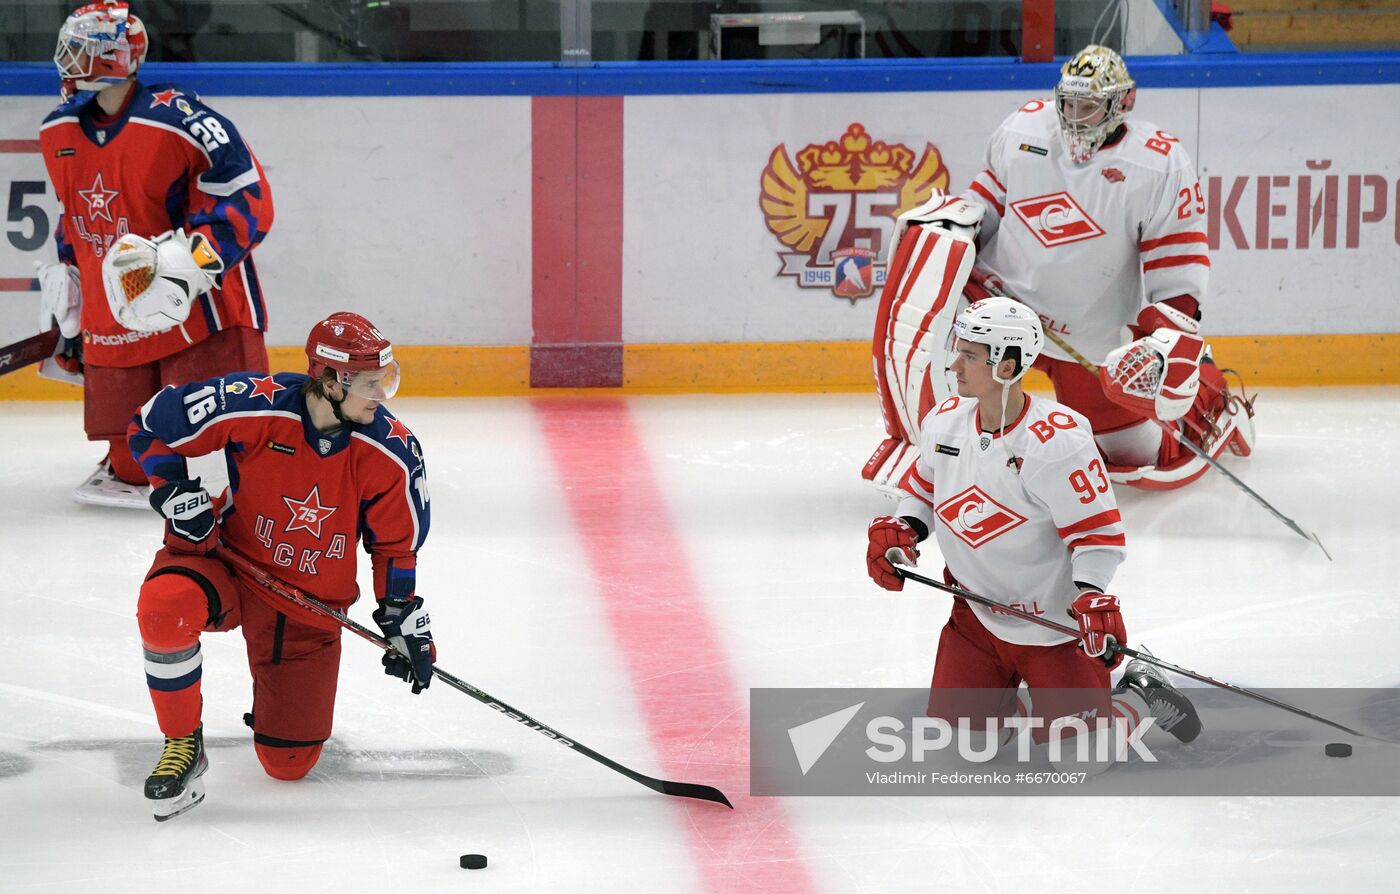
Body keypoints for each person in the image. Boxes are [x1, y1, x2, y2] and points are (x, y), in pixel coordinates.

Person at [869, 44, 1253, 493]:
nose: (1072, 116)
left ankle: (1212, 400)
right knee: (942, 356)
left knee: (1132, 457)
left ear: (1122, 103)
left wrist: (1167, 343)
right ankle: (947, 455)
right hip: (1000, 302)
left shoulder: (1159, 162)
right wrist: (944, 237)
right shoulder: (1024, 127)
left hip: (1091, 337)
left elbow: (1178, 262)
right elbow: (986, 206)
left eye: (1087, 107)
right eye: (1066, 103)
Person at [865, 297, 1201, 764]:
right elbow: (922, 489)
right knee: (961, 750)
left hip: (1055, 627)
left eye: (969, 355)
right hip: (976, 620)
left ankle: (1139, 693)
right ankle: (1023, 708)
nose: (954, 364)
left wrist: (1091, 595)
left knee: (1081, 761)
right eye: (957, 349)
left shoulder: (1058, 441)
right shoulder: (944, 422)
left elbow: (1097, 535)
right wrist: (903, 528)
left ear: (1007, 365)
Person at [126, 312, 433, 821]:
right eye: (370, 383)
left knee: (288, 763)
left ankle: (276, 711)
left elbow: (395, 548)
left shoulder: (390, 451)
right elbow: (152, 422)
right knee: (164, 609)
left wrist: (402, 617)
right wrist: (174, 492)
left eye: (387, 379)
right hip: (227, 559)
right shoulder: (255, 403)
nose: (381, 395)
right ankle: (182, 744)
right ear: (331, 380)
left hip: (307, 604)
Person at [37, 0, 274, 507]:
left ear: (117, 56)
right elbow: (73, 215)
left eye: (79, 48)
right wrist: (71, 278)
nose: (66, 58)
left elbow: (247, 199)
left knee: (215, 451)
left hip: (195, 307)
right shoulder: (56, 131)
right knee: (131, 464)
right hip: (113, 310)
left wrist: (189, 266)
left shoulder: (181, 119)